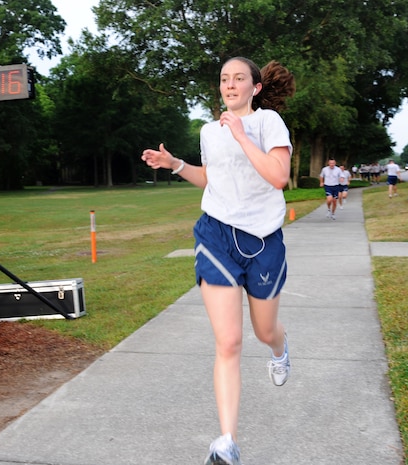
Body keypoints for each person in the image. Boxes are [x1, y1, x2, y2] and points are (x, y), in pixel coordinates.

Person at [142, 57, 294, 465]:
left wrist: (243, 136)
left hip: (263, 240)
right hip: (216, 236)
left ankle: (280, 349)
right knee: (228, 341)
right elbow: (213, 178)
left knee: (264, 332)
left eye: (239, 78)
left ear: (255, 88)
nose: (230, 85)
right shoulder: (210, 130)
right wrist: (174, 165)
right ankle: (226, 442)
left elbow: (278, 177)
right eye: (225, 79)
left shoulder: (269, 124)